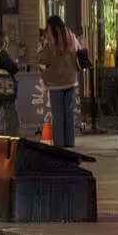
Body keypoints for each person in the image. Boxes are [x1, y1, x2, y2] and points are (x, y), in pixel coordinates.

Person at [36, 18, 80, 150]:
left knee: (58, 114)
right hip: (71, 80)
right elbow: (78, 52)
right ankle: (70, 143)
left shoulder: (50, 41)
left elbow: (43, 59)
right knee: (69, 114)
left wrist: (42, 47)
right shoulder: (70, 37)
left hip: (55, 82)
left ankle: (59, 146)